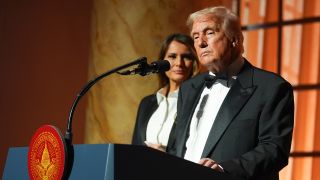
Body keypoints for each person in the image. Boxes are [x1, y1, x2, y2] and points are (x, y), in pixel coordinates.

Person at [167, 6, 294, 180]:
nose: (200, 42)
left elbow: (274, 149)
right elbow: (176, 146)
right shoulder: (189, 88)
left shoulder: (271, 87)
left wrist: (223, 169)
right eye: (195, 37)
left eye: (209, 33)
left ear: (234, 39)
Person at [132, 33, 199, 152]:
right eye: (172, 56)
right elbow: (135, 147)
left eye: (186, 57)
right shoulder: (146, 103)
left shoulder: (197, 103)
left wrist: (166, 155)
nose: (179, 63)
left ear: (194, 62)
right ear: (162, 62)